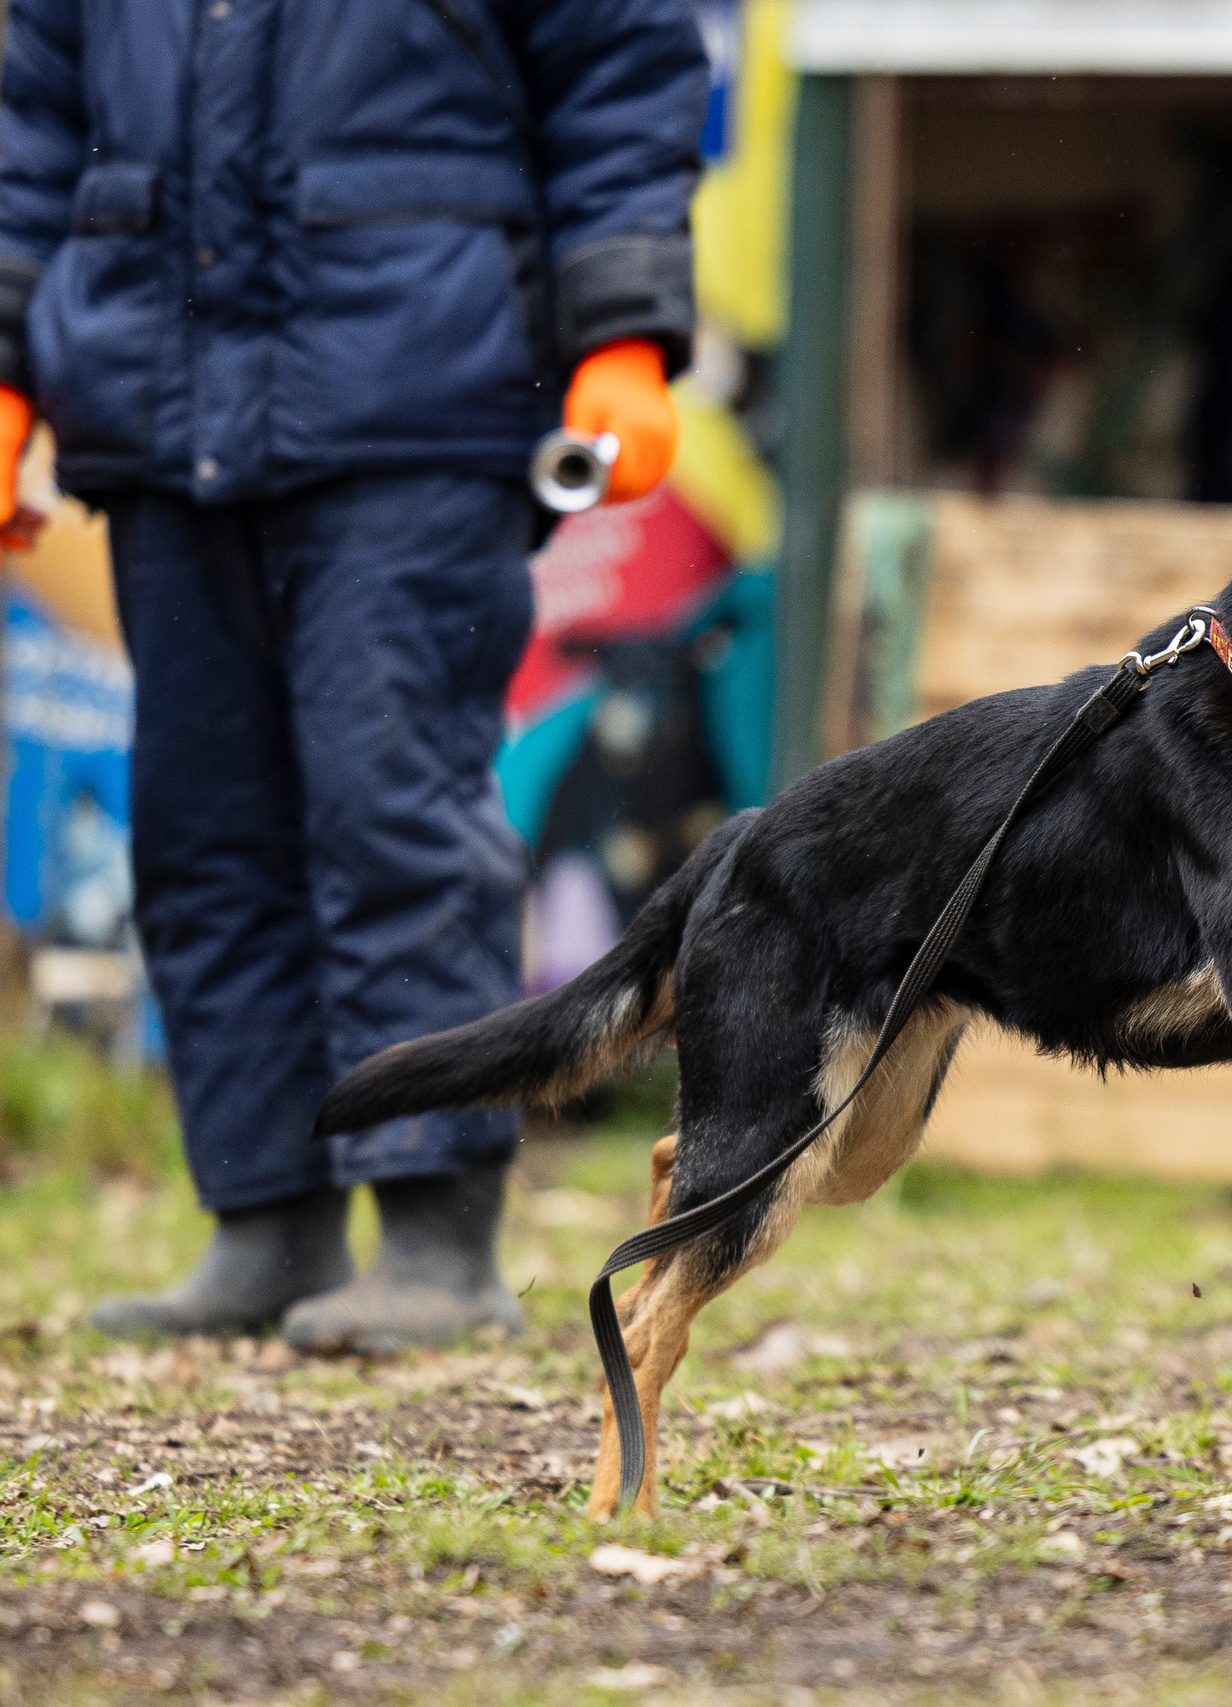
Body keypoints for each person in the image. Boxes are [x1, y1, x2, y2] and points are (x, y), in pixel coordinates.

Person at [0, 1, 707, 1349]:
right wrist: (5, 370)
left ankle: (439, 1239)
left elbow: (619, 61)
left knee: (393, 814)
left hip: (416, 401)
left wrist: (622, 328)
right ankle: (265, 1222)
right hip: (158, 417)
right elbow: (34, 126)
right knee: (206, 830)